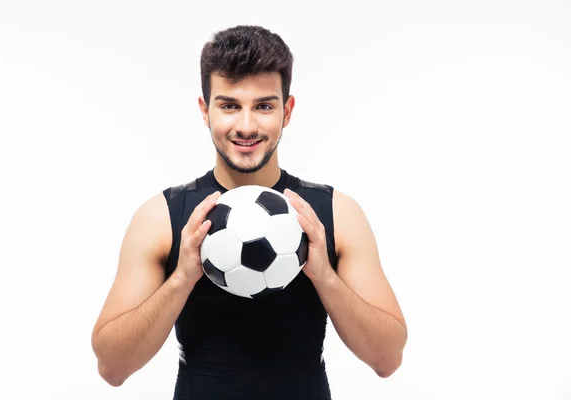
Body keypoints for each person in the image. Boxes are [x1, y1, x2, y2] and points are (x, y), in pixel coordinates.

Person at [91, 25, 408, 399]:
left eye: (264, 106)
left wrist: (324, 276)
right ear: (205, 110)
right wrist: (182, 278)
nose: (246, 126)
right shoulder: (162, 217)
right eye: (229, 105)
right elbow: (112, 367)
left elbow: (388, 359)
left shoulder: (335, 213)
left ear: (286, 111)